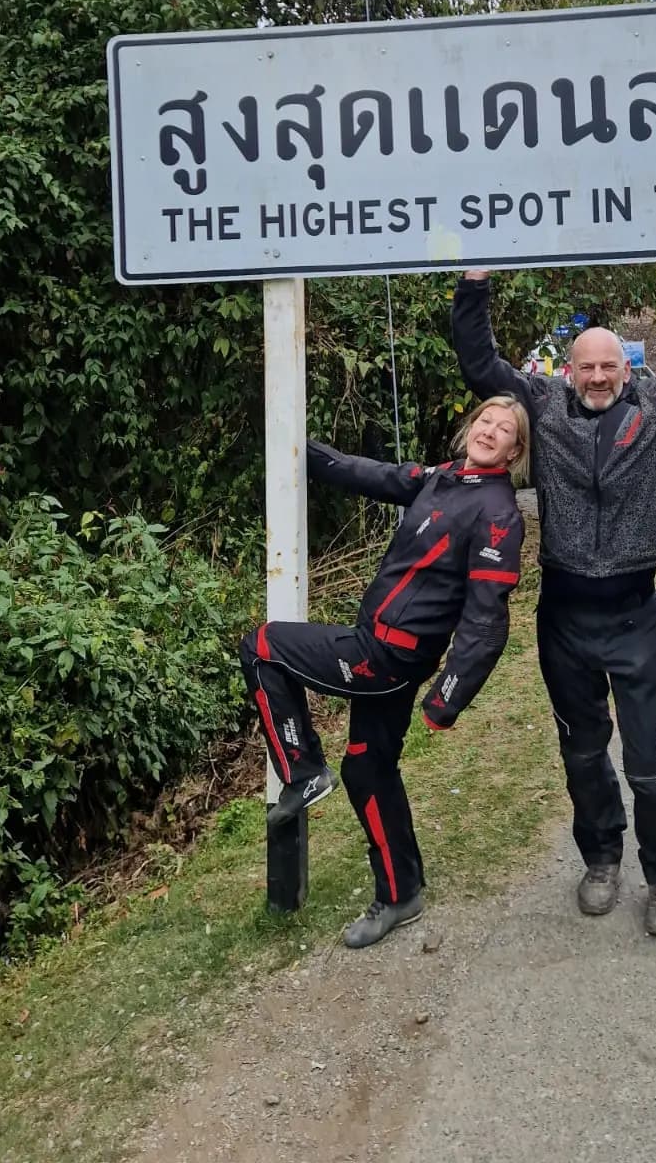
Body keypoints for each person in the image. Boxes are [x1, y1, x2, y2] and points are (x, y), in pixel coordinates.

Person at [452, 260, 656, 938]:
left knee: (651, 760)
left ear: (625, 368)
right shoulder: (541, 406)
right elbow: (477, 363)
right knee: (582, 754)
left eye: (608, 366)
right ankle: (602, 860)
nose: (597, 378)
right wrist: (474, 283)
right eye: (585, 367)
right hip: (563, 615)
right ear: (568, 371)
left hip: (636, 614)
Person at [239, 396, 529, 949]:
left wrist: (448, 696)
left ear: (515, 451)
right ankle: (400, 893)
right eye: (485, 420)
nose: (490, 431)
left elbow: (487, 621)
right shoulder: (443, 478)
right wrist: (297, 445)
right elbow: (368, 473)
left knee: (261, 646)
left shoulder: (497, 512)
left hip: (386, 657)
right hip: (384, 652)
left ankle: (301, 772)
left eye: (504, 429)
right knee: (369, 771)